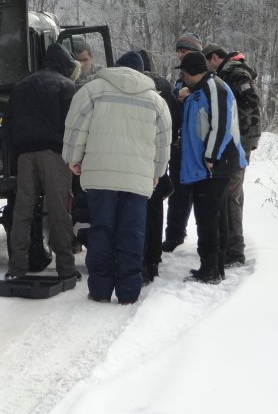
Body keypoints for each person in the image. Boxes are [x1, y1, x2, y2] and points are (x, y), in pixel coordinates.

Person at [63, 53, 172, 304]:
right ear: (141, 72)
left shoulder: (92, 91)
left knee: (101, 230)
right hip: (136, 180)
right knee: (132, 233)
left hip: (100, 175)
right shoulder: (157, 101)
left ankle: (100, 289)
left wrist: (73, 159)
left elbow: (76, 128)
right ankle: (128, 292)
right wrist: (157, 173)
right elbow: (163, 143)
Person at [5, 42, 81, 281]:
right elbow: (74, 126)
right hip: (55, 156)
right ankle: (66, 269)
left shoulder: (21, 86)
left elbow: (8, 125)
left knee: (23, 211)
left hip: (25, 156)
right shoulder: (66, 87)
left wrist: (15, 154)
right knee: (60, 211)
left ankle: (16, 267)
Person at [175, 51, 247, 284]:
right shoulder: (202, 89)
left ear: (189, 72)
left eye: (183, 73)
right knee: (214, 216)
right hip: (207, 166)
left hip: (216, 165)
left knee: (208, 218)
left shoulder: (215, 88)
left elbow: (222, 125)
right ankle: (216, 266)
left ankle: (210, 270)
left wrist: (211, 157)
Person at [203, 42, 262, 267]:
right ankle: (231, 248)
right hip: (240, 140)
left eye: (208, 62)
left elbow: (251, 99)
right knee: (231, 194)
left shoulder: (234, 72)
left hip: (240, 142)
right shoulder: (232, 70)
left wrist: (232, 118)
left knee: (232, 195)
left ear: (215, 58)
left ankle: (235, 252)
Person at [136, 49, 178, 284]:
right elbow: (173, 122)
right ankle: (153, 258)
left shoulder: (134, 88)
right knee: (154, 210)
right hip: (159, 154)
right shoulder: (163, 87)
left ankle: (140, 259)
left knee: (137, 211)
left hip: (137, 156)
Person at [162, 32, 203, 252]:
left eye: (184, 50)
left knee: (202, 198)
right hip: (179, 145)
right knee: (177, 194)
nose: (180, 54)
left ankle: (206, 243)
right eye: (178, 50)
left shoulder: (207, 80)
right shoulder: (180, 78)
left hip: (198, 148)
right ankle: (174, 236)